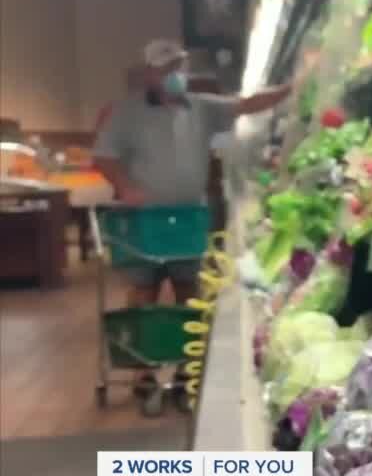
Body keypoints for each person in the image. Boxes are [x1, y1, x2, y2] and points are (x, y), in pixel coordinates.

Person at [93, 39, 292, 413]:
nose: (175, 76)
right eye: (167, 70)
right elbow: (103, 156)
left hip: (188, 216)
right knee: (144, 290)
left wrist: (292, 86)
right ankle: (143, 372)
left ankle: (188, 369)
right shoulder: (126, 113)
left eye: (179, 67)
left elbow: (247, 103)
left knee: (189, 289)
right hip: (143, 219)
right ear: (150, 73)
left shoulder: (200, 108)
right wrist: (126, 188)